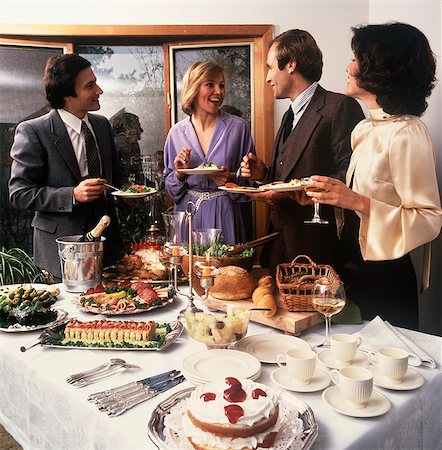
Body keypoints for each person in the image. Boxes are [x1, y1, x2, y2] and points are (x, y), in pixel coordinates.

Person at [304, 22, 442, 329]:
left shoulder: (408, 133)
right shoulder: (365, 129)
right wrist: (330, 196)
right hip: (351, 269)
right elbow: (359, 205)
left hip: (385, 280)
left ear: (379, 70)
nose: (348, 66)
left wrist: (356, 201)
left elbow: (429, 218)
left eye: (356, 59)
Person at [240, 29, 365, 274]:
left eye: (270, 67)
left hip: (319, 250)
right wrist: (264, 174)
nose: (267, 77)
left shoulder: (340, 107)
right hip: (280, 246)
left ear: (291, 65)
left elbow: (354, 178)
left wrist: (299, 192)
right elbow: (286, 175)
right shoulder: (288, 114)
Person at [9, 54, 124, 280]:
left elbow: (115, 179)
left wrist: (125, 195)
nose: (99, 90)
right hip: (60, 250)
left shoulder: (102, 125)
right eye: (89, 86)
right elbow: (20, 194)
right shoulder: (33, 131)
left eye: (96, 82)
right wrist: (72, 195)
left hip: (106, 246)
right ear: (66, 94)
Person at [163, 61, 255, 244]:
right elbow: (171, 191)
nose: (219, 91)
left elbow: (250, 184)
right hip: (189, 214)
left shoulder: (238, 128)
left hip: (225, 213)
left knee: (226, 270)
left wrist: (229, 180)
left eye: (221, 85)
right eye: (210, 84)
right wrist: (180, 173)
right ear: (194, 88)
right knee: (189, 269)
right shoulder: (176, 133)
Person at [110, 109, 144, 185]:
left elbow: (138, 174)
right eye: (137, 126)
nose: (141, 130)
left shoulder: (132, 143)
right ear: (129, 127)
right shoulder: (121, 143)